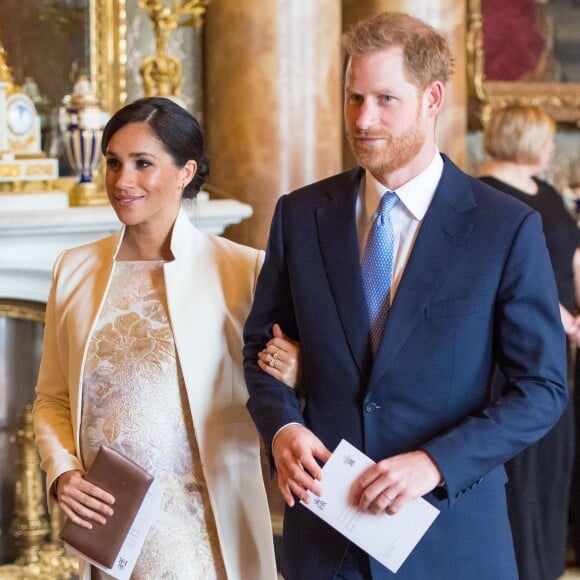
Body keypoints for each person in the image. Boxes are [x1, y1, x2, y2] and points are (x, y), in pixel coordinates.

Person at [243, 11, 569, 580]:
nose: (363, 120)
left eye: (385, 100)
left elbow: (541, 388)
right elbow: (260, 348)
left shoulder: (505, 227)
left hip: (451, 538)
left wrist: (433, 464)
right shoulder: (300, 215)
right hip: (325, 543)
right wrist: (282, 428)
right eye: (353, 98)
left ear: (432, 97)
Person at [32, 97, 277, 580]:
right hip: (110, 529)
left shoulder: (242, 269)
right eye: (114, 163)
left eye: (143, 164)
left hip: (203, 531)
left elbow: (284, 387)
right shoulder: (74, 269)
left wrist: (293, 369)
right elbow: (51, 398)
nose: (123, 182)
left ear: (186, 171)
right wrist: (61, 472)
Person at [478, 104, 580, 580]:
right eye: (544, 137)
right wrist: (556, 314)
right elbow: (495, 274)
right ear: (522, 138)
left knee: (554, 460)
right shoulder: (482, 194)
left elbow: (569, 256)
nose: (551, 147)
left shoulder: (549, 193)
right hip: (510, 354)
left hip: (557, 350)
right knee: (521, 470)